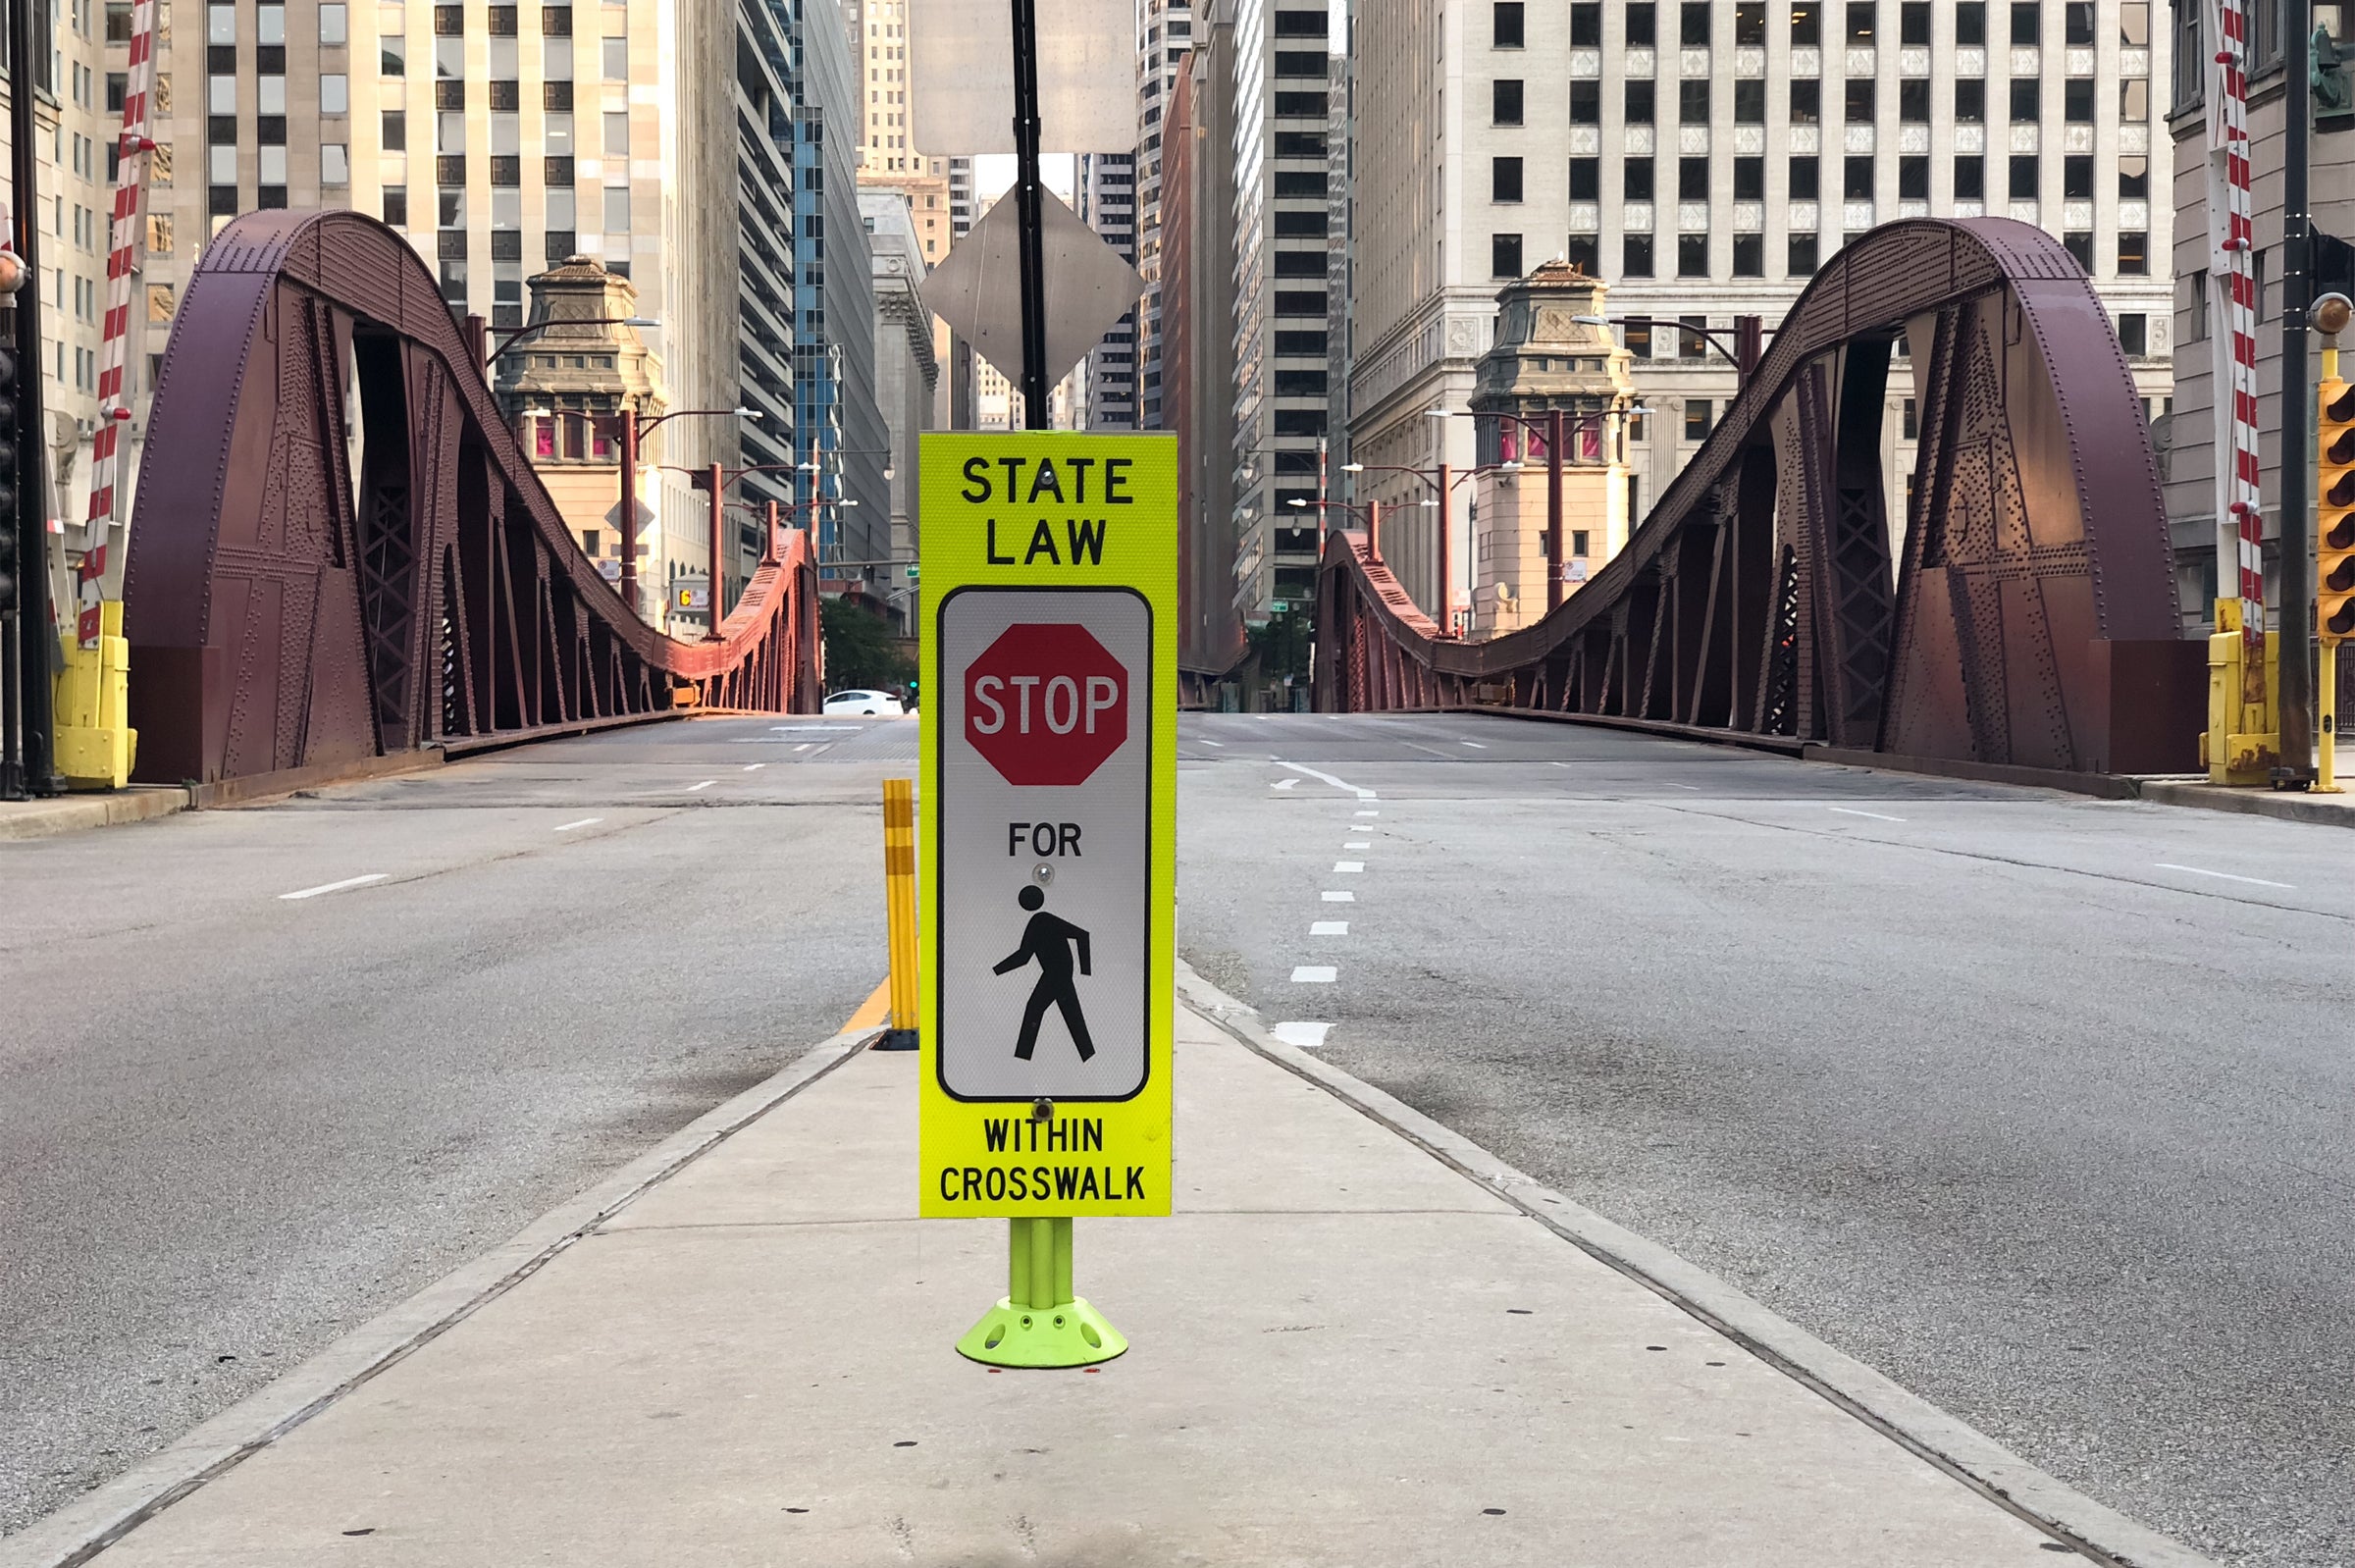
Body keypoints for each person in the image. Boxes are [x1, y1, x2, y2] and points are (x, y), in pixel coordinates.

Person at [992, 885, 1095, 1063]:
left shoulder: (1042, 920)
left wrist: (1085, 971)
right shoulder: (1039, 921)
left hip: (1057, 973)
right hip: (1057, 972)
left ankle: (1021, 1058)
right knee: (1072, 1014)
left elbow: (1082, 935)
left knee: (1034, 1009)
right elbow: (1024, 956)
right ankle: (1088, 1055)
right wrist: (996, 971)